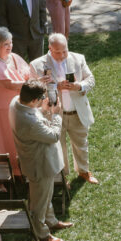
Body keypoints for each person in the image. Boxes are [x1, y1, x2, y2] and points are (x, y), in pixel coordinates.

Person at [29, 33, 98, 184]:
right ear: (49, 48)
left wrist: (79, 86)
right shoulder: (37, 65)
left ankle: (84, 171)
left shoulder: (78, 58)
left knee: (81, 143)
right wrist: (53, 87)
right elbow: (32, 92)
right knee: (57, 147)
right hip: (54, 113)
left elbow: (91, 79)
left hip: (76, 111)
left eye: (64, 51)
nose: (61, 55)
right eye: (57, 52)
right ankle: (62, 176)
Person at [10, 80, 73, 241]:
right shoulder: (30, 121)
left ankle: (51, 221)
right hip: (40, 165)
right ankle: (42, 233)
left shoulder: (15, 103)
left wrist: (43, 110)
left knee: (45, 196)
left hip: (37, 161)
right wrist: (57, 114)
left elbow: (36, 115)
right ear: (33, 101)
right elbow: (53, 136)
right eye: (41, 98)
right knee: (38, 203)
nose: (44, 99)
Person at [0, 26, 33, 177]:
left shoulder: (15, 57)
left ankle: (22, 168)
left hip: (18, 105)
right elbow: (10, 84)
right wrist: (34, 84)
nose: (10, 46)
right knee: (3, 140)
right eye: (5, 44)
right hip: (1, 109)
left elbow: (28, 73)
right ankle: (3, 174)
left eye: (10, 42)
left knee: (19, 137)